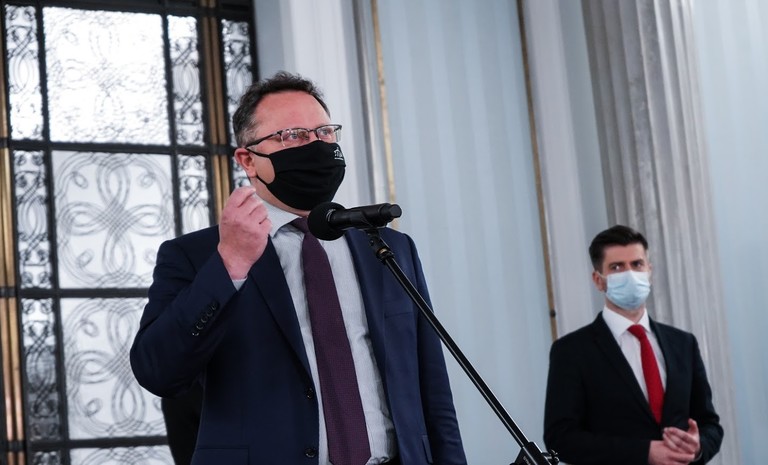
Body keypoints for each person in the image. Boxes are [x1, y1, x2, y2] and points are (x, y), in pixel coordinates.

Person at [130, 71, 466, 465]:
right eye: (293, 136)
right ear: (248, 160)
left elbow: (432, 388)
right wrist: (230, 265)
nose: (316, 145)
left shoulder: (390, 248)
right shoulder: (196, 255)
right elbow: (158, 371)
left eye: (324, 132)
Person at [543, 225, 723, 465]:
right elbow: (560, 438)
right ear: (598, 280)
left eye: (637, 264)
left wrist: (698, 446)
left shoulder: (683, 343)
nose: (630, 274)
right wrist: (644, 452)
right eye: (617, 267)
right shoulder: (572, 351)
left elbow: (710, 424)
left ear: (649, 271)